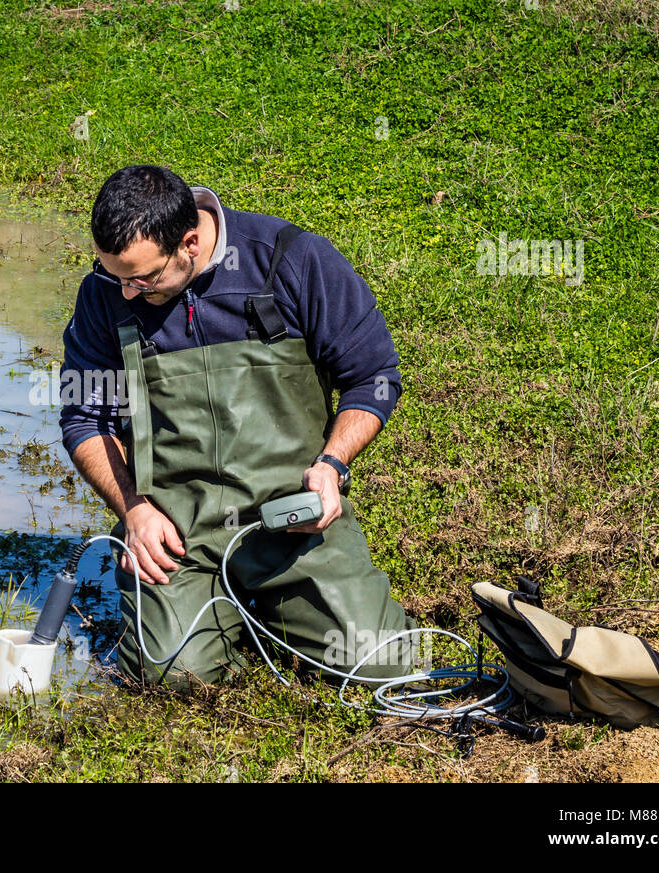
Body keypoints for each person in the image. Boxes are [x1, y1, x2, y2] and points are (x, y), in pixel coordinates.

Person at [59, 165, 417, 690]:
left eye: (143, 278)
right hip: (178, 529)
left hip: (288, 520)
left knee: (381, 664)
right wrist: (134, 509)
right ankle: (218, 612)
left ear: (190, 242)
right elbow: (85, 417)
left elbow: (374, 377)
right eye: (116, 276)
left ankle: (267, 606)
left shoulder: (291, 258)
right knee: (171, 677)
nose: (127, 293)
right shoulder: (104, 293)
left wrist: (332, 465)